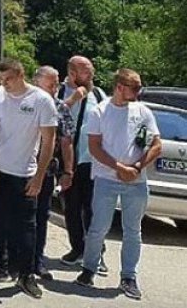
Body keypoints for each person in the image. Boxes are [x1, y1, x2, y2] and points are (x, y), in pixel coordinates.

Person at [74, 69, 161, 300]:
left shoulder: (143, 111)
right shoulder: (100, 111)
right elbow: (94, 147)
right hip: (106, 179)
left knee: (133, 231)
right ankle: (89, 268)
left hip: (136, 181)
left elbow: (156, 145)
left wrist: (137, 167)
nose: (138, 92)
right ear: (119, 87)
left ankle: (129, 277)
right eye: (135, 87)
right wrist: (119, 168)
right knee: (98, 227)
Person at [0, 59, 57, 299]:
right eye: (1, 79)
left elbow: (48, 141)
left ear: (21, 74)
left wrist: (39, 176)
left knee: (26, 228)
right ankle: (0, 266)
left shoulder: (41, 100)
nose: (5, 84)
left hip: (25, 173)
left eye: (9, 79)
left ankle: (26, 274)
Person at [58, 55, 108, 270]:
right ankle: (77, 248)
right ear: (72, 73)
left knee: (93, 209)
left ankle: (97, 253)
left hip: (93, 160)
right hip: (68, 160)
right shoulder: (60, 92)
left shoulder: (98, 94)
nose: (91, 74)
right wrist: (73, 99)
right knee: (71, 207)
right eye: (86, 71)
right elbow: (52, 115)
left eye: (91, 70)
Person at [32, 65, 75, 281]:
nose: (55, 87)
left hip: (47, 171)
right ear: (37, 81)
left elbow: (67, 142)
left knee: (41, 216)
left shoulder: (61, 108)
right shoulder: (24, 102)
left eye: (57, 83)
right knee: (16, 215)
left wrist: (68, 171)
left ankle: (36, 262)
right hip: (18, 168)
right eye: (51, 82)